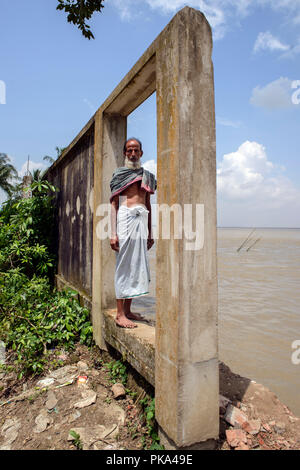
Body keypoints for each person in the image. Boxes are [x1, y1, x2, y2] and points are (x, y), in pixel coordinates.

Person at [109, 138, 156, 328]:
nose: (133, 154)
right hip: (125, 220)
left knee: (137, 266)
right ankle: (120, 315)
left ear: (141, 153)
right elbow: (113, 204)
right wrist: (113, 233)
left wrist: (150, 233)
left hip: (141, 221)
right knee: (124, 266)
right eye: (129, 150)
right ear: (125, 153)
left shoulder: (148, 176)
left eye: (136, 150)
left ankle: (128, 311)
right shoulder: (119, 175)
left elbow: (148, 205)